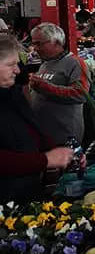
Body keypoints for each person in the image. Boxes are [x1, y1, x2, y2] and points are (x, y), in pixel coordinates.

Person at [0, 35, 79, 203]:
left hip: (26, 193)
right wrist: (47, 159)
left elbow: (32, 130)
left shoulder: (11, 94)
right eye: (10, 65)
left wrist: (64, 153)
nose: (18, 70)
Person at [28, 23, 89, 145]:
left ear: (56, 42)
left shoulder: (74, 63)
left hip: (65, 136)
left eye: (39, 44)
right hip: (45, 135)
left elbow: (80, 94)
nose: (34, 48)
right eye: (33, 43)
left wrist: (45, 86)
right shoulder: (45, 63)